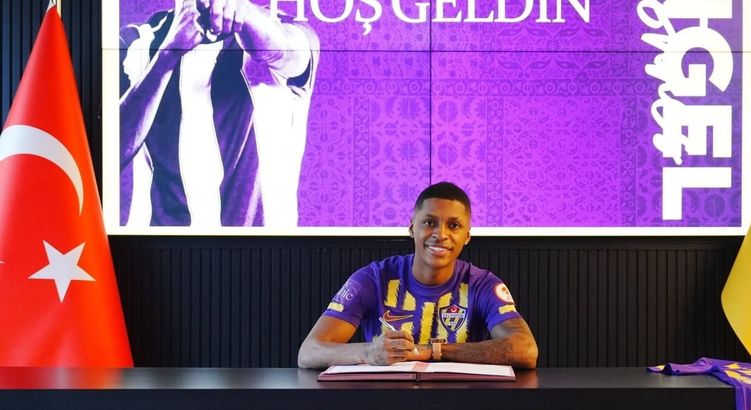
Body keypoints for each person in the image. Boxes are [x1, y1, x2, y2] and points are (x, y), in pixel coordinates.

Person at [119, 0, 319, 228]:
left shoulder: (285, 28)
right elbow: (105, 155)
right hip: (162, 246)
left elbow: (282, 48)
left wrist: (243, 14)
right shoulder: (137, 42)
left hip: (263, 246)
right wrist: (168, 54)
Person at [298, 182, 538, 369]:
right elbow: (308, 353)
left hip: (462, 407)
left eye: (454, 226)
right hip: (385, 406)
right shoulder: (372, 279)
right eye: (430, 222)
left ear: (467, 236)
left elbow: (525, 350)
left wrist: (432, 351)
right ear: (412, 227)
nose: (440, 234)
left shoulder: (483, 284)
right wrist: (368, 352)